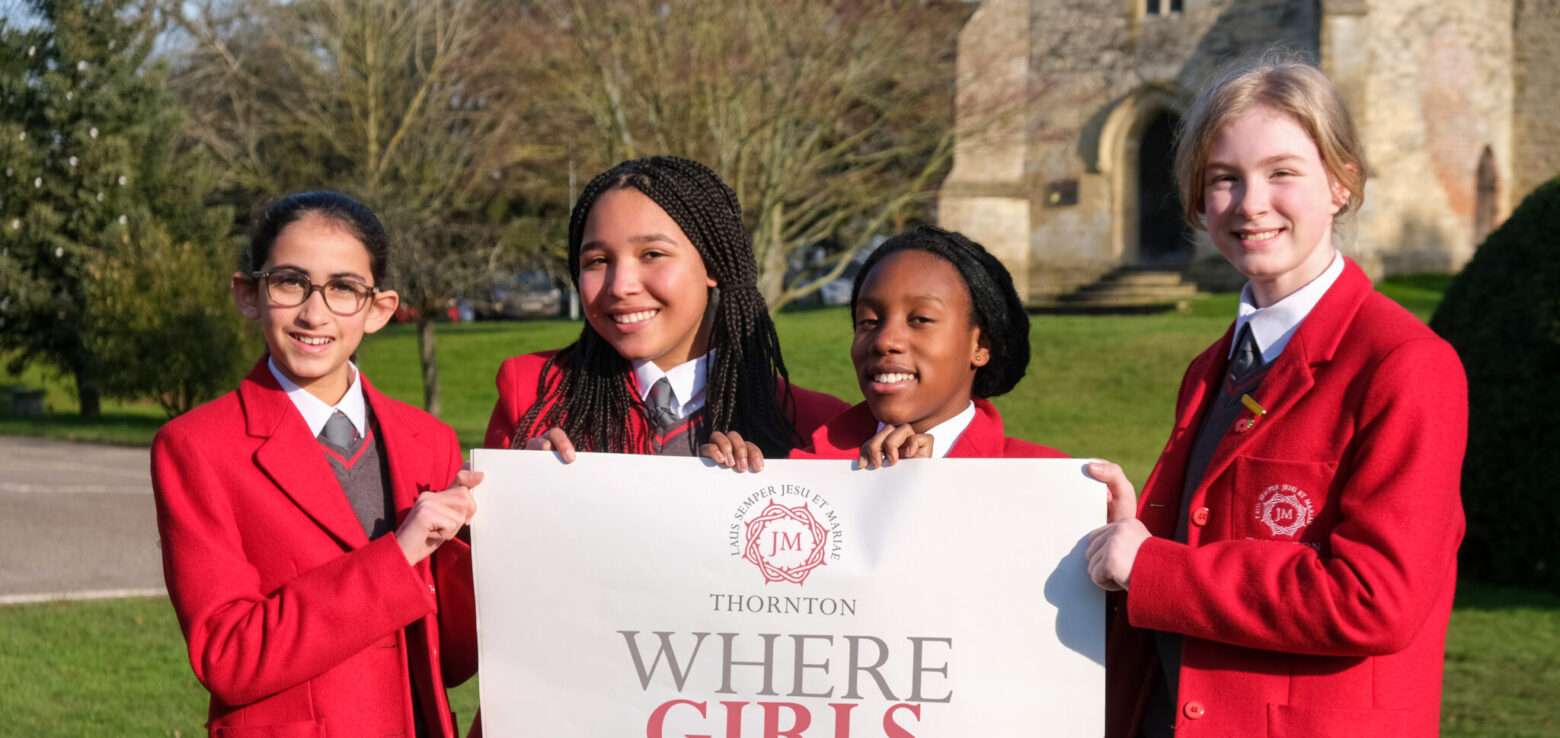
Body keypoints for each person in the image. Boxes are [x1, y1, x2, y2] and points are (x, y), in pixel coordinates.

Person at [1085, 59, 1467, 737]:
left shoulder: (1405, 365)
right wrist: (1137, 531)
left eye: (1282, 172)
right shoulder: (1213, 365)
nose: (1251, 203)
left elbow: (1373, 599)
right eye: (1224, 179)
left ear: (1342, 182)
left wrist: (1153, 565)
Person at [151, 191, 481, 738]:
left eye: (344, 289)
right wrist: (399, 555)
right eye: (289, 282)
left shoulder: (431, 441)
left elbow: (452, 661)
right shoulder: (196, 447)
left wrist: (493, 531)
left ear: (379, 309)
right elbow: (229, 657)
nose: (314, 312)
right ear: (248, 293)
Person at [484, 155, 849, 461]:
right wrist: (519, 496)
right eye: (597, 260)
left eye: (652, 254)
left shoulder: (817, 427)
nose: (620, 286)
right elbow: (478, 547)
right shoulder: (533, 396)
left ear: (713, 265)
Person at [707, 225, 1066, 467]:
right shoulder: (799, 479)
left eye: (921, 319)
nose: (885, 341)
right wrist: (728, 498)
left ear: (981, 345)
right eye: (868, 321)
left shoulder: (1054, 485)